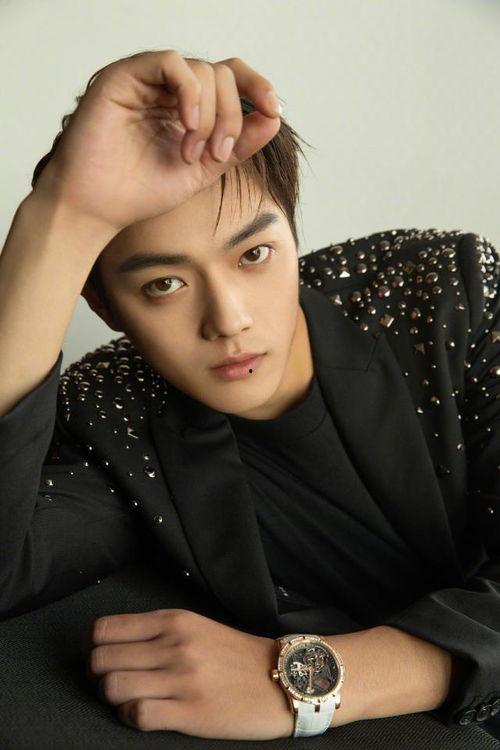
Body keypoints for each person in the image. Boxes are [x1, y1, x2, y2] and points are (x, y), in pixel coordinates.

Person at [0, 49, 499, 741]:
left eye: (254, 255)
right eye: (163, 285)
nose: (228, 319)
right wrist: (60, 216)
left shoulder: (442, 291)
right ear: (104, 305)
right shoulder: (111, 413)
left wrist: (303, 681)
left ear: (292, 231)